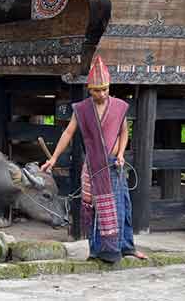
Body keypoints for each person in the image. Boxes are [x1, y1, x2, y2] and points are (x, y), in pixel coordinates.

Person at [40, 56, 147, 263]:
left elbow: (124, 132)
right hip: (94, 166)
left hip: (114, 165)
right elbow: (68, 133)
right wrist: (53, 158)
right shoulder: (82, 109)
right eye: (97, 90)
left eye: (105, 89)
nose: (102, 93)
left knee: (120, 206)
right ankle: (98, 251)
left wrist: (121, 154)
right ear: (90, 89)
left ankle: (125, 248)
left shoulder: (119, 106)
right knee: (94, 210)